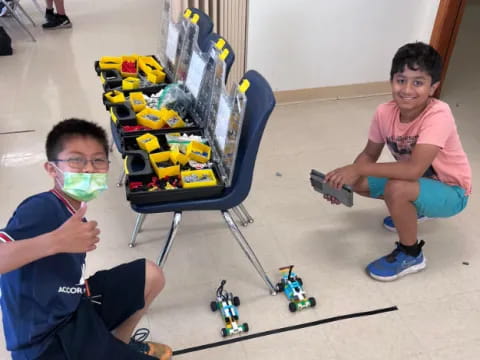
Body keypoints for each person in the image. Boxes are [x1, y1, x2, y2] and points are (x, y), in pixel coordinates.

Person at [0, 119, 172, 359]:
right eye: (76, 160)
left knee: (151, 276)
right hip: (46, 344)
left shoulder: (73, 211)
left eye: (98, 160)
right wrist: (56, 241)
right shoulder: (42, 208)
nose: (89, 169)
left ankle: (118, 345)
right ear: (51, 169)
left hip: (72, 307)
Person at [323, 42, 471, 281]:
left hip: (452, 192)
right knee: (358, 181)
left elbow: (413, 170)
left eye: (418, 82)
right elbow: (369, 155)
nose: (407, 89)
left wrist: (357, 168)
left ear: (433, 87)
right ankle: (413, 210)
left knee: (397, 188)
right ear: (391, 80)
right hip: (421, 182)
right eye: (401, 80)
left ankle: (411, 254)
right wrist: (346, 182)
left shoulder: (439, 114)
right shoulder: (384, 112)